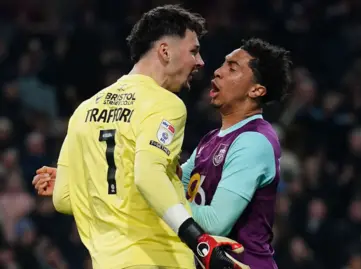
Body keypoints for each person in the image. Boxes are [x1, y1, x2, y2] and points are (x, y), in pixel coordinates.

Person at [32, 5, 249, 269]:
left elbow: (64, 198)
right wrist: (199, 241)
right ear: (165, 52)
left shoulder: (84, 110)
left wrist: (89, 179)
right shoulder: (165, 104)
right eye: (193, 50)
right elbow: (148, 175)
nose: (200, 61)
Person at [181, 38, 291, 269]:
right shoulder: (210, 140)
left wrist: (162, 201)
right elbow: (175, 184)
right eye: (222, 65)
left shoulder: (254, 141)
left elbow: (215, 223)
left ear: (256, 90)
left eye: (232, 68)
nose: (218, 72)